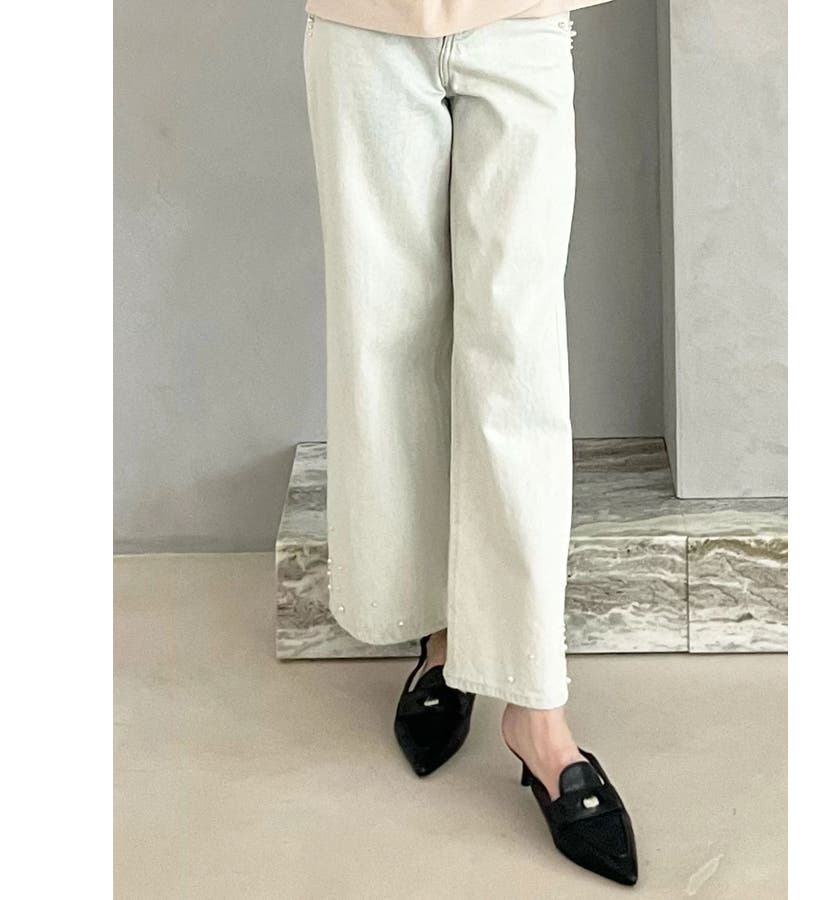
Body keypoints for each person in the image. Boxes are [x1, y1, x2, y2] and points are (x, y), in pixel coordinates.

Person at [302, 0, 638, 885]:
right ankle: (442, 633)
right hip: (363, 25)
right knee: (386, 341)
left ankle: (537, 709)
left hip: (521, 19)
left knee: (519, 359)